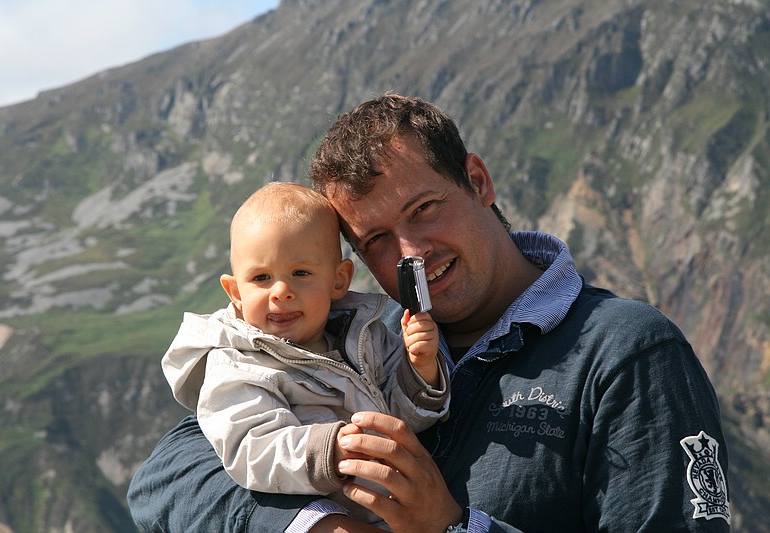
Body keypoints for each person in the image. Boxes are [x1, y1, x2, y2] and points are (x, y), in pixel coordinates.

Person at [128, 94, 730, 532]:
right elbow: (166, 477)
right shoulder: (349, 340)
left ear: (478, 181)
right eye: (377, 240)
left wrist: (450, 527)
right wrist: (313, 523)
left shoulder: (626, 352)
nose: (411, 252)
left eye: (424, 209)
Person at [159, 182, 449, 527]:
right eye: (261, 277)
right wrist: (330, 449)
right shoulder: (237, 366)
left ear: (338, 280)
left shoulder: (368, 337)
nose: (281, 291)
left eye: (301, 273)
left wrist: (420, 369)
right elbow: (252, 450)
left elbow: (407, 423)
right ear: (235, 291)